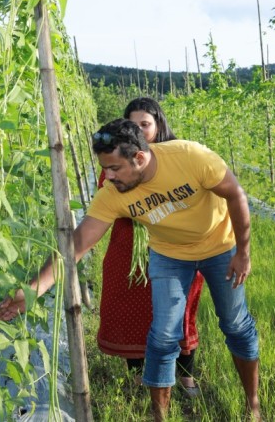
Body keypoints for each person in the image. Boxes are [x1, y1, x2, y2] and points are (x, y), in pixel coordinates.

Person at [0, 119, 260, 421]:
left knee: (236, 326)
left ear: (140, 158)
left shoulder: (190, 157)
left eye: (115, 168)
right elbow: (78, 243)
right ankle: (160, 417)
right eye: (105, 168)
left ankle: (253, 406)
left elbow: (235, 194)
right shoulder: (113, 193)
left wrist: (243, 252)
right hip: (169, 255)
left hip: (219, 247)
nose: (108, 176)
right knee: (161, 337)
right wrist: (32, 291)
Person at [96, 98, 203, 395]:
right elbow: (107, 198)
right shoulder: (115, 161)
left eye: (146, 124)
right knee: (130, 308)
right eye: (134, 125)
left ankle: (185, 378)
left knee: (178, 311)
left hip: (174, 247)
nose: (141, 129)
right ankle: (137, 379)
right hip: (129, 248)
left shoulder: (176, 158)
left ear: (158, 125)